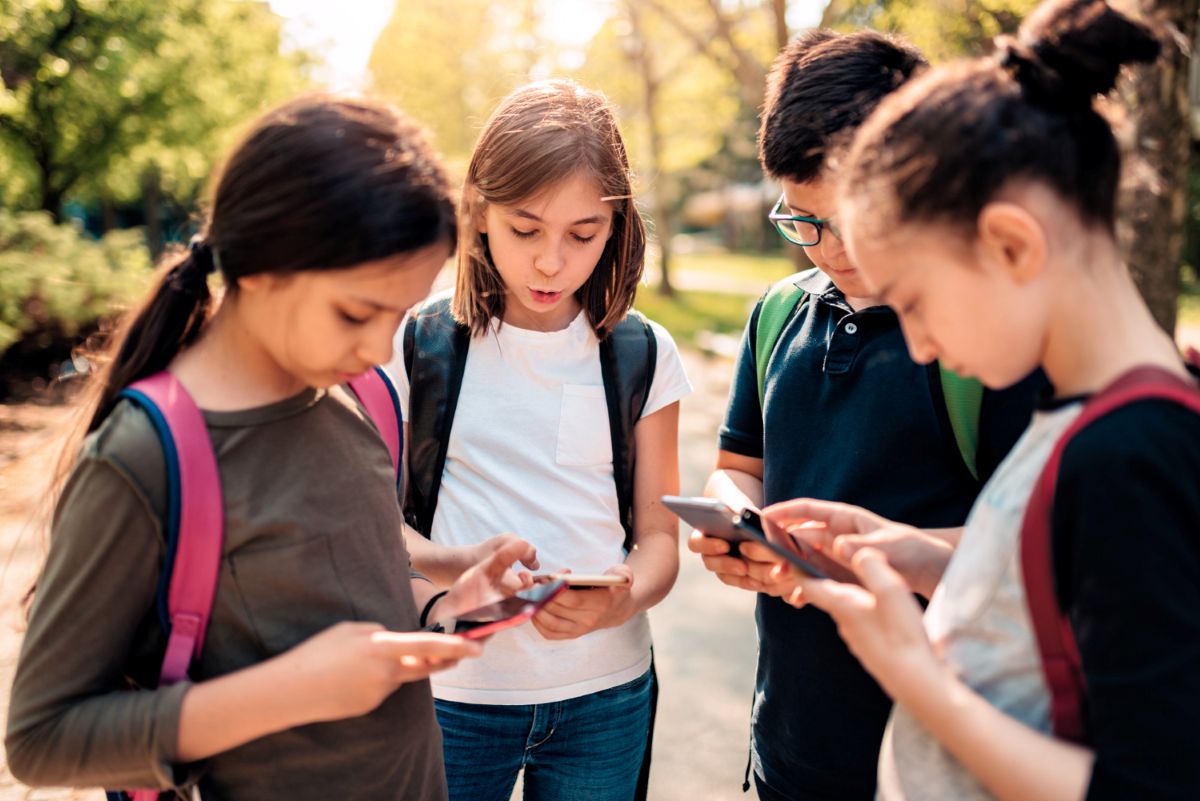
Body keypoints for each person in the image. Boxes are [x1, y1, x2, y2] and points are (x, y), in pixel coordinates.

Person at [5, 94, 537, 801]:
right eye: (355, 312)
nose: (380, 347)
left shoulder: (358, 394)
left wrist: (442, 605)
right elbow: (42, 739)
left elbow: (346, 592)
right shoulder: (145, 456)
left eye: (399, 314)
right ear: (258, 268)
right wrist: (287, 691)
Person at [762, 1, 1200, 799]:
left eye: (917, 299)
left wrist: (910, 672)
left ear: (1010, 243)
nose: (920, 344)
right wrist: (912, 550)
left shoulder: (1132, 454)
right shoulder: (1081, 420)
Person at [685, 30, 1044, 801]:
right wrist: (735, 521)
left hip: (939, 763)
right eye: (804, 221)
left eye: (854, 219)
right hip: (789, 746)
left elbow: (1034, 548)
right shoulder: (777, 313)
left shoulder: (983, 340)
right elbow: (737, 463)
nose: (833, 250)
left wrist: (867, 553)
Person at [388, 80, 691, 801]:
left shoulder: (645, 353)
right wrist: (450, 581)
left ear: (616, 225)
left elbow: (659, 538)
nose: (552, 261)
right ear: (479, 212)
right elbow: (372, 521)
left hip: (606, 697)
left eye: (582, 234)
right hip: (450, 696)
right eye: (526, 230)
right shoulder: (418, 341)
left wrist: (622, 598)